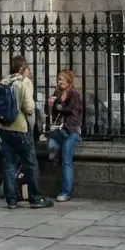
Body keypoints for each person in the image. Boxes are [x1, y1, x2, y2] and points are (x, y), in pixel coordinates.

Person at [0, 55, 53, 210]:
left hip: (5, 128)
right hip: (20, 127)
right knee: (30, 163)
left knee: (9, 165)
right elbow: (29, 107)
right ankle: (36, 198)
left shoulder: (3, 82)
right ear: (22, 68)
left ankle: (11, 200)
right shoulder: (23, 82)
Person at [46, 70, 83, 202]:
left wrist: (57, 105)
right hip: (59, 130)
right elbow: (49, 111)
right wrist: (49, 104)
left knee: (67, 154)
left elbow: (71, 112)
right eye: (58, 79)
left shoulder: (75, 95)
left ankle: (65, 192)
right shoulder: (56, 93)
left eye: (61, 79)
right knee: (51, 146)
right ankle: (55, 155)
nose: (59, 81)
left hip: (72, 131)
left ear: (69, 81)